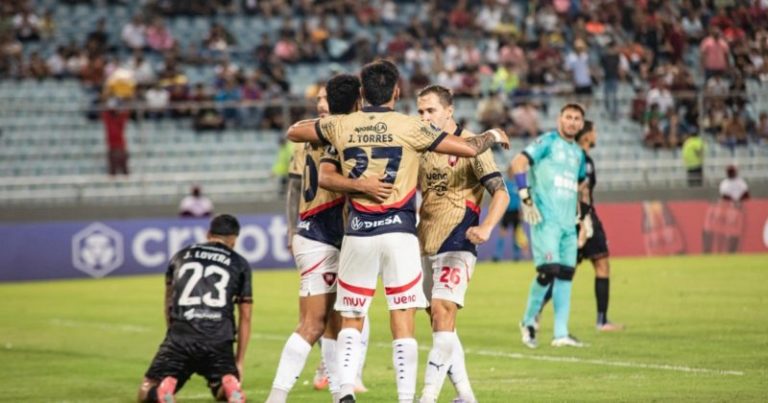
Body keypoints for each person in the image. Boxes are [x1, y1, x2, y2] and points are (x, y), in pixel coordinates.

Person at [287, 59, 509, 403]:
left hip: (359, 232)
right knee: (405, 319)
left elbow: (296, 133)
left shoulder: (342, 125)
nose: (425, 114)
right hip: (403, 234)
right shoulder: (410, 128)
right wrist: (492, 134)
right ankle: (409, 398)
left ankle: (344, 390)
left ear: (362, 92)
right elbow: (468, 147)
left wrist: (350, 162)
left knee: (352, 315)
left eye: (430, 109)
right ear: (396, 91)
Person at [268, 76, 388, 403]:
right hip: (320, 232)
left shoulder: (316, 131)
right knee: (313, 324)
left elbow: (294, 134)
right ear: (357, 103)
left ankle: (340, 394)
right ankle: (276, 397)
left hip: (326, 236)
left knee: (335, 323)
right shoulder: (342, 133)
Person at [415, 85, 509, 403]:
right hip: (424, 240)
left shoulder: (473, 146)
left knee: (443, 314)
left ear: (449, 111)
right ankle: (466, 396)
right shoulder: (421, 145)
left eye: (431, 110)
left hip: (459, 238)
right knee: (440, 323)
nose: (425, 116)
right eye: (421, 111)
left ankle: (427, 397)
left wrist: (487, 226)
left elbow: (501, 192)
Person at [137, 214, 251, 403]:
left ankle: (162, 390)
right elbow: (245, 315)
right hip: (219, 338)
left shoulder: (180, 256)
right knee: (220, 388)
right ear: (234, 240)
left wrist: (173, 335)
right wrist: (238, 362)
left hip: (182, 335)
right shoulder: (239, 263)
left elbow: (169, 304)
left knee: (147, 388)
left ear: (208, 234)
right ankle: (230, 388)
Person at [513, 104, 588, 348]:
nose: (572, 122)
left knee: (566, 275)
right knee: (548, 271)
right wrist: (525, 195)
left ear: (581, 124)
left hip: (569, 224)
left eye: (577, 118)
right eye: (568, 117)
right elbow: (517, 163)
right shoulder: (547, 142)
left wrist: (583, 220)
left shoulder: (578, 154)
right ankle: (527, 321)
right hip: (545, 219)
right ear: (559, 119)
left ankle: (561, 333)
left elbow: (581, 189)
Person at [572, 121, 623, 331]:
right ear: (586, 136)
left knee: (602, 262)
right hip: (578, 218)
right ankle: (533, 317)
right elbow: (574, 189)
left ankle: (602, 320)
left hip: (587, 215)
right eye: (594, 131)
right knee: (564, 271)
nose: (596, 135)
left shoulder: (586, 158)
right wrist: (581, 222)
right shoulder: (576, 157)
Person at [493, 173, 524, 262]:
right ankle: (497, 255)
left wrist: (521, 212)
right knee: (502, 233)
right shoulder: (505, 184)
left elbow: (521, 199)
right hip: (506, 211)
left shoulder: (518, 185)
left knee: (516, 235)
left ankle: (517, 256)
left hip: (516, 212)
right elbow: (501, 198)